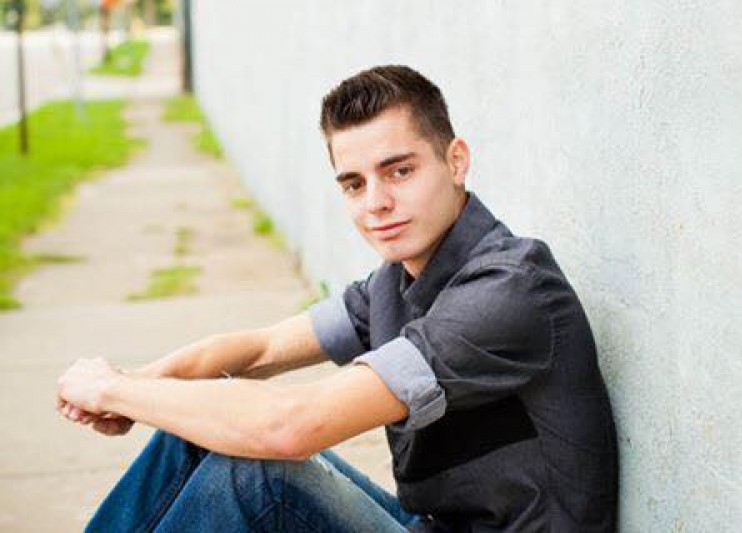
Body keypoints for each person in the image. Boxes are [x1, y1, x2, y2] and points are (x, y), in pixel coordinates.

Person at [57, 65, 618, 532]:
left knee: (258, 475)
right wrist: (135, 385)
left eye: (399, 171)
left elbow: (293, 426)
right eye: (354, 183)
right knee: (198, 428)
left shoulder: (508, 292)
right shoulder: (396, 282)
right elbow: (260, 349)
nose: (376, 203)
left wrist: (114, 390)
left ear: (456, 160)